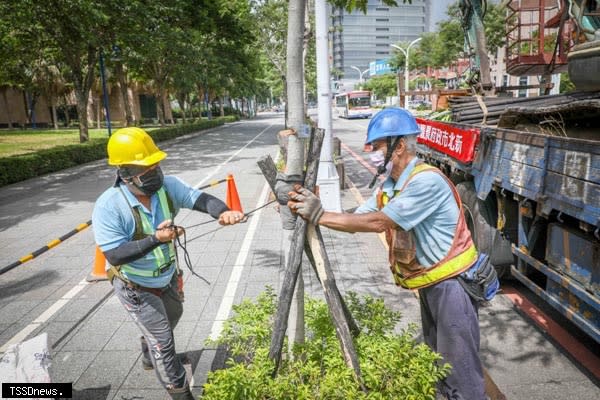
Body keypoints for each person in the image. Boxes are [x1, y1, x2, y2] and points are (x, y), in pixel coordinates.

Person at [287, 107, 487, 400]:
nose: (372, 153)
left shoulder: (425, 182)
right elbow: (358, 217)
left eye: (377, 146)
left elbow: (379, 222)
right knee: (438, 368)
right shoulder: (392, 186)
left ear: (400, 146)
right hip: (431, 286)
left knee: (462, 375)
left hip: (452, 287)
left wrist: (319, 215)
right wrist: (323, 212)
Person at [92, 127, 244, 400]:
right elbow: (114, 255)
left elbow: (201, 199)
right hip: (135, 286)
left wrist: (223, 212)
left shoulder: (167, 186)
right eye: (146, 169)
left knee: (174, 316)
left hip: (167, 276)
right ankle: (181, 393)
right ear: (125, 174)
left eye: (156, 164)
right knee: (164, 343)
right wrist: (156, 239)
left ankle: (148, 347)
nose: (156, 172)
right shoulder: (108, 206)